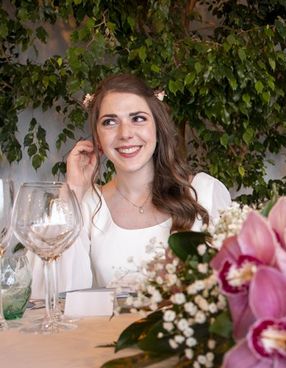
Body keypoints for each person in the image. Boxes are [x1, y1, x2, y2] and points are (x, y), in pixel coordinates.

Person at [31, 73, 231, 296]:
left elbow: (235, 291)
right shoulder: (87, 204)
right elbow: (48, 296)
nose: (125, 134)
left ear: (157, 126)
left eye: (138, 118)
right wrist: (74, 189)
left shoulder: (205, 193)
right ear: (97, 136)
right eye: (110, 122)